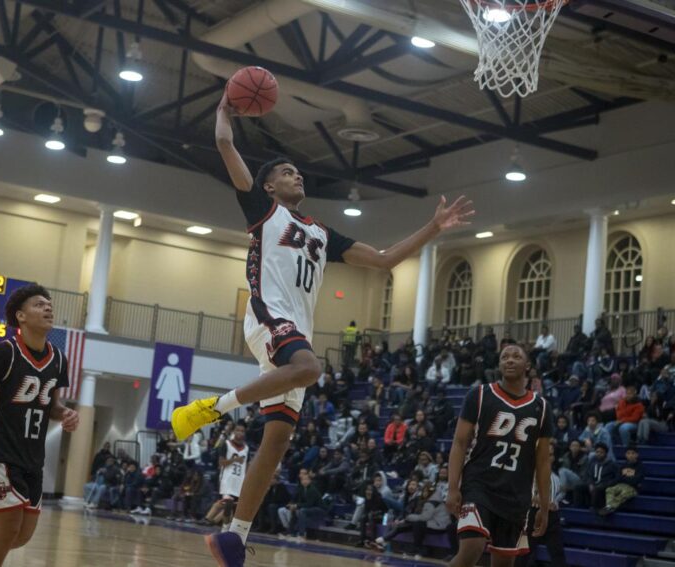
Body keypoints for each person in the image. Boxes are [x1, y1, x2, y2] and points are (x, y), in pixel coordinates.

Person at [172, 93, 474, 564]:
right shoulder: (264, 212)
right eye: (287, 172)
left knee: (277, 441)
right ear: (268, 187)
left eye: (299, 170)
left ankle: (234, 534)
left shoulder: (321, 232)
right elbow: (225, 144)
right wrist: (224, 112)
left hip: (295, 331)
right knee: (311, 367)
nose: (298, 174)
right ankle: (211, 408)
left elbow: (384, 259)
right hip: (270, 318)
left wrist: (434, 227)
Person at [0, 284, 79, 567]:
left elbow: (52, 407)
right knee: (7, 530)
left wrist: (65, 413)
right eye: (38, 304)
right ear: (20, 316)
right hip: (0, 455)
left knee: (20, 536)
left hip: (33, 458)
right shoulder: (4, 353)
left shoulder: (58, 359)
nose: (48, 307)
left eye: (49, 304)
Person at [446, 345, 553, 566]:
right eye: (504, 357)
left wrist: (544, 505)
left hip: (516, 493)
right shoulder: (480, 394)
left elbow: (542, 461)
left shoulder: (541, 407)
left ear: (528, 365)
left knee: (504, 563)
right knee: (472, 547)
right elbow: (459, 443)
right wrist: (452, 487)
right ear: (499, 364)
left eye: (516, 356)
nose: (510, 360)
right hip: (480, 484)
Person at [514, 448, 567, 567]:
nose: (550, 457)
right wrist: (537, 499)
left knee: (557, 551)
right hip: (533, 513)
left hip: (551, 515)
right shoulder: (530, 472)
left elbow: (558, 494)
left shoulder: (555, 476)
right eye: (547, 454)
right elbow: (521, 491)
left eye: (552, 455)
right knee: (525, 552)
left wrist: (555, 502)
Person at [205, 421, 249, 529]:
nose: (240, 433)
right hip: (227, 478)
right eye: (238, 430)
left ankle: (214, 521)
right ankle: (214, 521)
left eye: (242, 431)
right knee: (228, 502)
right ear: (234, 431)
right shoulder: (226, 444)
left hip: (240, 480)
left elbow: (247, 466)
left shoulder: (246, 448)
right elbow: (221, 463)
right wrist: (234, 460)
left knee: (232, 507)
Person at [598, 445, 644, 516]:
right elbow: (618, 478)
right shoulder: (623, 465)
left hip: (633, 488)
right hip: (621, 485)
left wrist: (623, 478)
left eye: (633, 453)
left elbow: (635, 481)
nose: (630, 455)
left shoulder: (640, 467)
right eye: (628, 453)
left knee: (625, 492)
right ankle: (609, 507)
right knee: (609, 489)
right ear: (625, 455)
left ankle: (610, 506)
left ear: (637, 455)